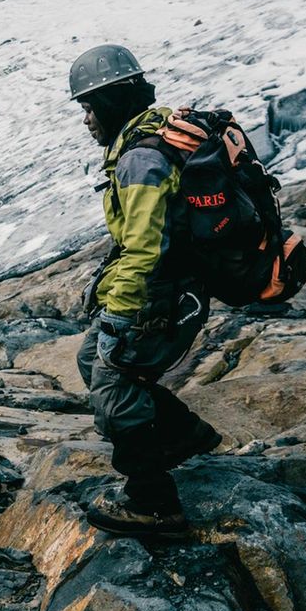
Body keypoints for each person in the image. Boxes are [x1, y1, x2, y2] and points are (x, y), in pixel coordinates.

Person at [69, 44, 222, 538]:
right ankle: (183, 436)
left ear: (111, 102)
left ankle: (154, 505)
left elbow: (144, 249)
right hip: (168, 289)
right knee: (90, 357)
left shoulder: (140, 159)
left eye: (89, 108)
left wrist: (118, 315)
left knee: (113, 387)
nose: (87, 121)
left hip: (162, 297)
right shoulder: (150, 136)